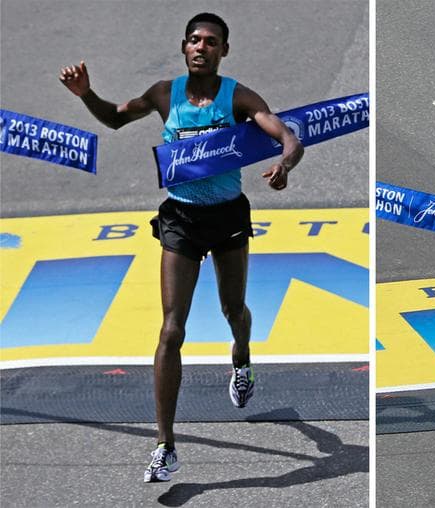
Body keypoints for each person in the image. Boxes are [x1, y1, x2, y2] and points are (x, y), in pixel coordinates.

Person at [60, 12, 304, 482]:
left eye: (211, 42)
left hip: (229, 215)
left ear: (223, 51)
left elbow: (286, 135)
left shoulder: (238, 97)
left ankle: (242, 357)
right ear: (183, 47)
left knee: (234, 308)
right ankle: (165, 446)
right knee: (171, 329)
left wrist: (286, 165)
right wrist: (86, 94)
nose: (201, 47)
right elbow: (114, 119)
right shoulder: (162, 95)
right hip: (180, 219)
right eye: (194, 40)